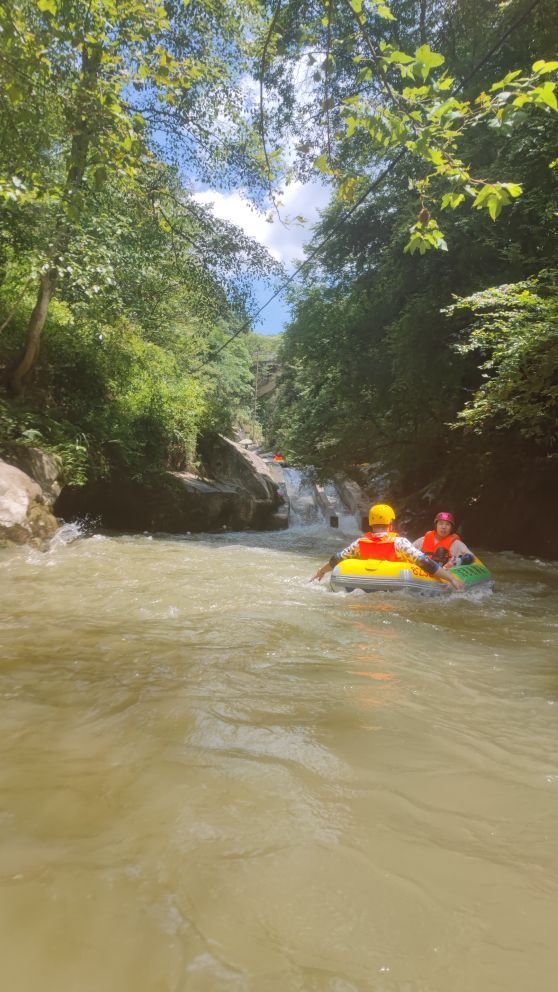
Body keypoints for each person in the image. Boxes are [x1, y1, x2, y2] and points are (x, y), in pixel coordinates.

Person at [311, 503, 465, 591]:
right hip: (394, 585)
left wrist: (320, 571)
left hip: (364, 585)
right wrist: (451, 578)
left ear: (371, 523)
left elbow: (337, 559)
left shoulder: (359, 543)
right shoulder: (400, 543)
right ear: (391, 523)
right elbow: (425, 562)